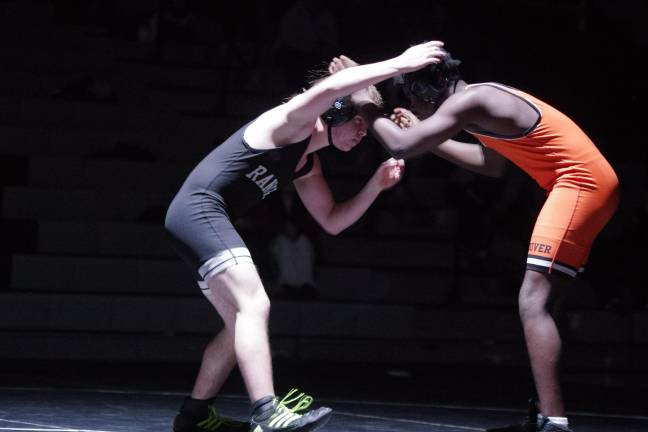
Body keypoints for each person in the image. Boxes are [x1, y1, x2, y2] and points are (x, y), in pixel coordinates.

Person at [330, 45, 620, 432]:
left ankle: (554, 423)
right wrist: (425, 136)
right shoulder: (474, 104)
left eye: (413, 98)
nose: (414, 106)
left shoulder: (475, 99)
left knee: (532, 301)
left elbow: (401, 145)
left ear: (424, 92)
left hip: (581, 184)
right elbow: (492, 165)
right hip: (577, 185)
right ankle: (544, 413)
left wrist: (365, 101)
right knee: (545, 302)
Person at [164, 41, 447, 432]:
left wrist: (374, 187)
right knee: (254, 303)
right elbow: (329, 90)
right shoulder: (291, 121)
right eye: (358, 121)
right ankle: (267, 412)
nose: (364, 131)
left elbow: (332, 220)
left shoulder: (306, 163)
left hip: (200, 217)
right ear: (333, 113)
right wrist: (400, 63)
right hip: (199, 209)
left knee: (239, 325)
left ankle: (193, 417)